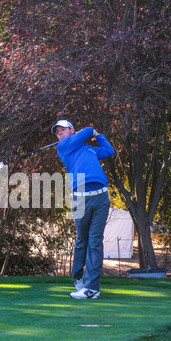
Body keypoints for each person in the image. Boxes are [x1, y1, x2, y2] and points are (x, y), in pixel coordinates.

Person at [51, 120, 115, 299]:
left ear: (72, 130)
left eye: (62, 130)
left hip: (101, 197)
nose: (59, 133)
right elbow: (87, 130)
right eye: (57, 132)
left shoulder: (90, 150)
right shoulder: (63, 147)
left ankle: (92, 288)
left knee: (95, 242)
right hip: (81, 198)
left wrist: (98, 135)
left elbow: (109, 150)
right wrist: (91, 131)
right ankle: (78, 277)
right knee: (82, 240)